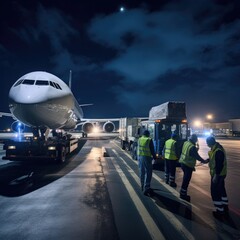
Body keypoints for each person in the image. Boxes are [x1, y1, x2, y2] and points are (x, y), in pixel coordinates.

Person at [206, 136, 228, 219]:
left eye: (207, 143)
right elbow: (214, 159)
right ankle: (225, 206)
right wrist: (207, 160)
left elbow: (219, 164)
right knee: (221, 189)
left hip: (218, 174)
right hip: (221, 174)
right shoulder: (216, 148)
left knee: (215, 192)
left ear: (210, 142)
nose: (207, 144)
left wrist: (216, 176)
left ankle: (220, 211)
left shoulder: (218, 151)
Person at [179, 134, 207, 201]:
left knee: (185, 179)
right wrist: (204, 161)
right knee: (186, 180)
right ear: (195, 139)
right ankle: (183, 194)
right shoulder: (192, 147)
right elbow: (196, 156)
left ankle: (182, 193)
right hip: (188, 165)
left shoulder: (186, 143)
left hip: (183, 162)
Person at [137, 130, 157, 196]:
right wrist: (155, 157)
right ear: (148, 134)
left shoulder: (140, 139)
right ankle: (147, 188)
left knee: (141, 172)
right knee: (148, 172)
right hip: (147, 157)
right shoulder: (149, 140)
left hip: (140, 157)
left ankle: (142, 186)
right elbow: (152, 150)